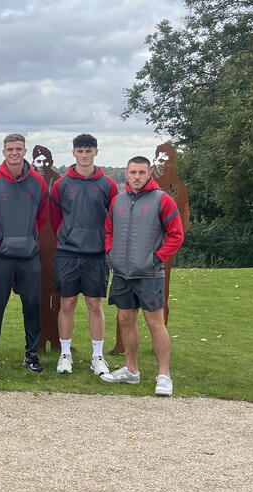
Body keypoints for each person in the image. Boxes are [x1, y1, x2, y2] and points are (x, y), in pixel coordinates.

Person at [101, 156, 184, 396]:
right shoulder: (118, 200)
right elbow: (109, 230)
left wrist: (156, 258)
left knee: (155, 323)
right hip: (122, 273)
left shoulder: (162, 200)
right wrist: (111, 253)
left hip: (149, 274)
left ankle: (164, 376)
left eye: (141, 172)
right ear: (126, 174)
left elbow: (175, 235)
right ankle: (131, 370)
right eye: (132, 172)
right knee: (125, 320)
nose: (136, 177)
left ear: (149, 174)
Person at [0, 134, 49, 373]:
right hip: (1, 255)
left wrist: (26, 237)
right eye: (10, 149)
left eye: (18, 148)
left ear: (25, 151)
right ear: (4, 152)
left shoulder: (38, 182)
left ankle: (32, 355)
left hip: (29, 255)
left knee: (32, 305)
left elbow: (41, 217)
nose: (14, 153)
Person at [49, 134, 119, 375]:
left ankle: (97, 356)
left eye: (89, 150)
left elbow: (113, 218)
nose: (84, 155)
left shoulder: (108, 184)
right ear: (73, 153)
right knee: (67, 303)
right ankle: (65, 354)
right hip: (67, 252)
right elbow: (55, 218)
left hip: (96, 254)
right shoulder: (61, 184)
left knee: (94, 304)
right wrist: (68, 235)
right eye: (80, 150)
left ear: (96, 152)